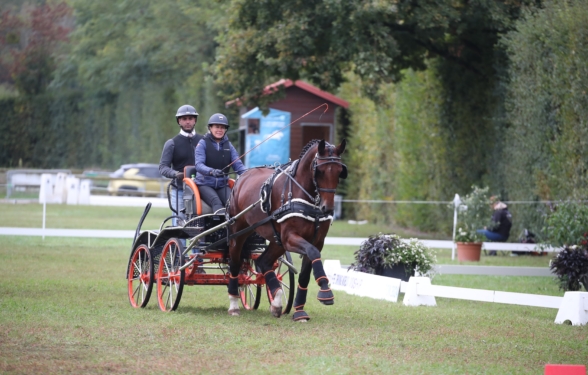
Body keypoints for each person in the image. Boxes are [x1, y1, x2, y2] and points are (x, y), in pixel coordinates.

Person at [159, 105, 203, 226]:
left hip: (201, 190)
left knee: (200, 226)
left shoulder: (204, 141)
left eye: (190, 118)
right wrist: (175, 174)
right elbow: (163, 167)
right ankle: (179, 245)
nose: (187, 121)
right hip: (179, 190)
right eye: (184, 119)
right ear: (179, 121)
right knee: (180, 227)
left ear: (195, 120)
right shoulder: (172, 143)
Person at [195, 113, 246, 214]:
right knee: (216, 202)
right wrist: (211, 171)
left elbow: (238, 165)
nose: (220, 130)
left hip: (223, 185)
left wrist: (249, 175)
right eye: (217, 127)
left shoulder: (229, 146)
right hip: (205, 184)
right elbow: (199, 165)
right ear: (210, 128)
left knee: (233, 204)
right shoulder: (202, 144)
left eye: (222, 127)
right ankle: (219, 228)